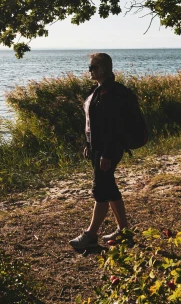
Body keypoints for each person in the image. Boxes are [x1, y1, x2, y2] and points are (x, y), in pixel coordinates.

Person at [69, 52, 136, 250]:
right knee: (109, 187)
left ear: (102, 69)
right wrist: (89, 144)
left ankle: (90, 235)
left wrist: (107, 153)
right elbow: (94, 123)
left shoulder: (112, 93)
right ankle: (124, 232)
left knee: (101, 190)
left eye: (92, 67)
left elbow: (113, 127)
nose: (89, 71)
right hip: (99, 147)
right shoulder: (98, 90)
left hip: (109, 149)